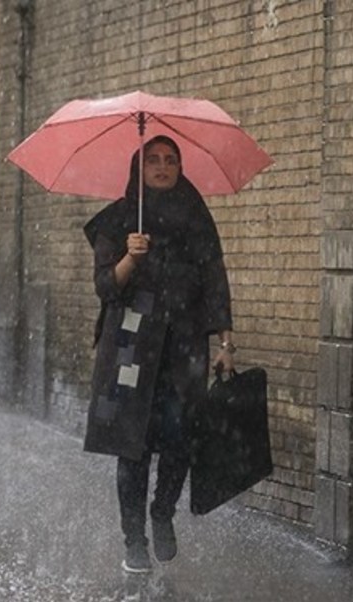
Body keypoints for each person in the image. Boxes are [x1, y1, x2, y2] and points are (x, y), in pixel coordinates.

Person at [81, 135, 235, 574]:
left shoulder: (196, 216)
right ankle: (133, 540)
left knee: (180, 438)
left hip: (184, 346)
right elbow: (106, 287)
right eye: (154, 161)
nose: (163, 167)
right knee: (133, 446)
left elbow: (214, 281)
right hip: (130, 346)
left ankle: (162, 511)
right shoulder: (119, 219)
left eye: (171, 160)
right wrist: (130, 258)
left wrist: (225, 343)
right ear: (139, 168)